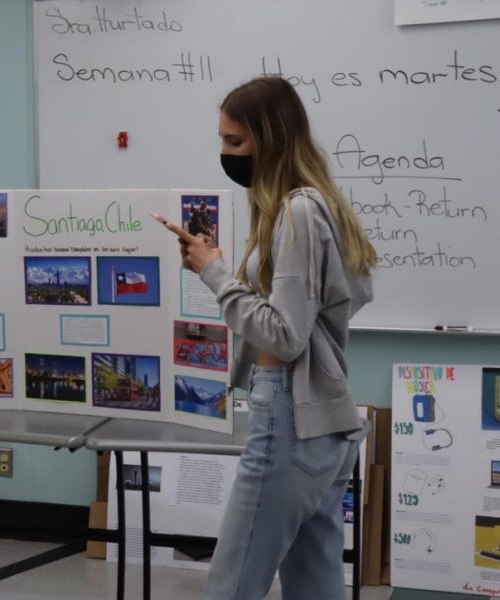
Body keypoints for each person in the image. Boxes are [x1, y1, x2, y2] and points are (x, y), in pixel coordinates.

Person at [160, 76, 376, 599]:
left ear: (271, 138)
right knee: (315, 583)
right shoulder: (318, 203)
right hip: (326, 421)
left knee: (232, 585)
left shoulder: (298, 212)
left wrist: (214, 273)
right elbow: (353, 293)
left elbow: (283, 338)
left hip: (290, 418)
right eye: (222, 140)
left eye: (235, 142)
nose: (225, 153)